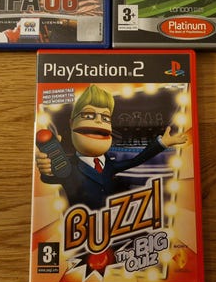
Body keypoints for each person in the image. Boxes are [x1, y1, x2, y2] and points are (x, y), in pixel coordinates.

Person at [35, 85, 187, 210]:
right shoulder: (67, 167)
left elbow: (136, 160)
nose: (99, 121)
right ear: (71, 123)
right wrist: (46, 167)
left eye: (105, 117)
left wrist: (162, 143)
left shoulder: (108, 164)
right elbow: (50, 176)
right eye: (89, 116)